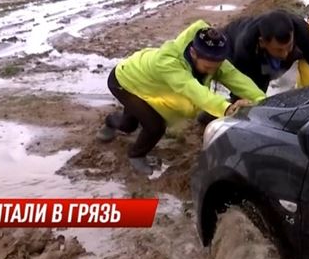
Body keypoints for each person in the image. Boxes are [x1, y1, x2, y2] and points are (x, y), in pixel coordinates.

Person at [96, 20, 266, 175]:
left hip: (147, 85)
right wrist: (227, 108)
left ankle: (116, 122)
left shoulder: (211, 58)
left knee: (131, 122)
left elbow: (236, 78)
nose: (212, 71)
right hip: (124, 82)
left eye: (217, 67)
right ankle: (135, 155)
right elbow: (192, 90)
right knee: (154, 126)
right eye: (207, 67)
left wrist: (262, 101)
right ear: (193, 53)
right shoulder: (168, 63)